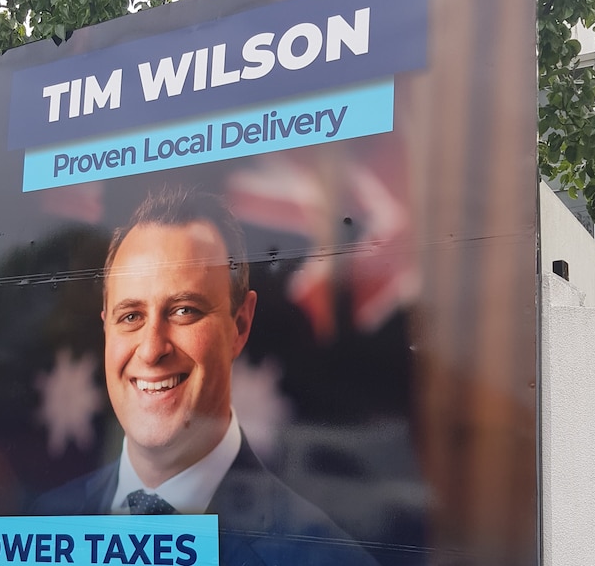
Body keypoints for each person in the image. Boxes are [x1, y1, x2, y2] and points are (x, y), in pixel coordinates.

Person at [33, 187, 378, 566]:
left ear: (240, 324)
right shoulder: (41, 522)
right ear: (106, 329)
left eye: (184, 311)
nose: (151, 350)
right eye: (130, 316)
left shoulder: (324, 558)